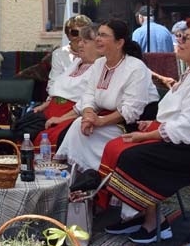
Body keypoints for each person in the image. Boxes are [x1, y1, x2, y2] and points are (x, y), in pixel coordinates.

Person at [98, 16, 190, 244]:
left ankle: (156, 224)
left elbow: (188, 127)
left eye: (187, 38)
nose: (180, 41)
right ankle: (138, 213)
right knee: (119, 146)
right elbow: (182, 114)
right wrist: (155, 125)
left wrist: (148, 135)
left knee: (135, 156)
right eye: (180, 36)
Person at [54, 19, 160, 171]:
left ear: (119, 43)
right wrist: (89, 115)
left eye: (103, 35)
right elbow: (89, 95)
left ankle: (95, 175)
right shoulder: (99, 64)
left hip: (132, 125)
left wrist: (100, 121)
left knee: (81, 131)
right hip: (106, 119)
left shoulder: (135, 68)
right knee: (78, 125)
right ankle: (79, 176)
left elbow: (131, 110)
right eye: (98, 35)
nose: (97, 39)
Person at [33, 24, 100, 150]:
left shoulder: (99, 68)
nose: (79, 44)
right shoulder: (76, 63)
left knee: (45, 138)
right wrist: (45, 105)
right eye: (79, 40)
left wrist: (61, 118)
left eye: (85, 42)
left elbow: (89, 102)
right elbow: (59, 88)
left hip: (69, 114)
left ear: (99, 46)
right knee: (23, 127)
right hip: (51, 110)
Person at [47, 15, 93, 92]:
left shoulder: (95, 53)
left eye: (84, 33)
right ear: (68, 35)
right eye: (75, 33)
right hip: (63, 96)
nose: (80, 37)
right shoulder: (59, 54)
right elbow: (53, 83)